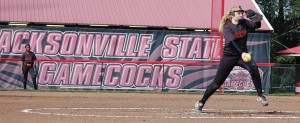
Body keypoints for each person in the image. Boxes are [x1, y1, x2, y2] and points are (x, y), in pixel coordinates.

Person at [194, 6, 268, 113]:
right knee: (217, 83)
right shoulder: (227, 27)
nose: (241, 14)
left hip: (242, 56)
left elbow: (256, 25)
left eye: (242, 12)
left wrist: (255, 19)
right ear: (233, 14)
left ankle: (260, 95)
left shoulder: (244, 22)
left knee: (254, 68)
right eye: (239, 13)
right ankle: (201, 102)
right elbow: (233, 43)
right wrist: (242, 53)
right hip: (229, 56)